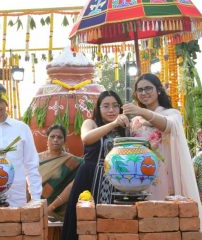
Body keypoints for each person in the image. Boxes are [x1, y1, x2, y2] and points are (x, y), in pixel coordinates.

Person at [122, 73, 201, 226]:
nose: (144, 93)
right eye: (140, 90)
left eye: (148, 88)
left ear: (158, 90)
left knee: (166, 219)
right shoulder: (135, 121)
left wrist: (142, 111)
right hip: (142, 177)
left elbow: (168, 125)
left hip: (165, 175)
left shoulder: (172, 114)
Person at [62, 90, 128, 240]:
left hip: (116, 180)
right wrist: (113, 124)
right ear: (98, 109)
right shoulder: (90, 123)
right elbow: (86, 138)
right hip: (90, 177)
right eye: (106, 106)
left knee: (113, 222)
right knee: (84, 221)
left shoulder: (125, 128)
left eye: (115, 106)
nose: (111, 110)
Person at [39, 124, 83, 221]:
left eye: (59, 137)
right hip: (36, 205)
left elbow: (76, 184)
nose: (55, 140)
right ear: (47, 138)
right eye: (52, 136)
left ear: (64, 140)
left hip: (60, 210)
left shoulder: (72, 161)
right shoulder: (35, 159)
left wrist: (50, 208)